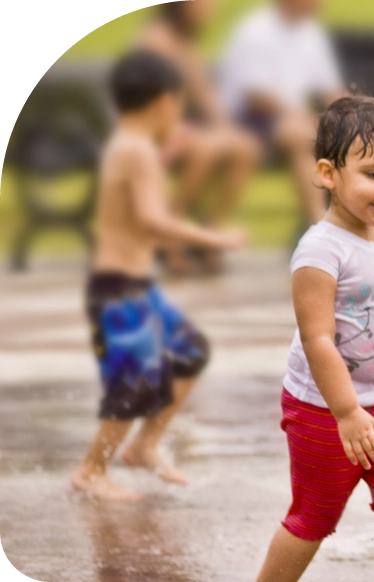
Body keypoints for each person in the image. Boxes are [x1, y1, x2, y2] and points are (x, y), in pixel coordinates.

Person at [254, 96, 374, 582]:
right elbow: (318, 340)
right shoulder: (320, 250)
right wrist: (347, 412)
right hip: (325, 409)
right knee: (313, 519)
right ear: (328, 173)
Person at [70, 50, 246, 502]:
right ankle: (92, 469)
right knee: (132, 383)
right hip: (119, 290)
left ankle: (144, 445)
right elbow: (150, 219)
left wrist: (165, 154)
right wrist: (213, 239)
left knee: (190, 351)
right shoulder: (137, 152)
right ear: (165, 102)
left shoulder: (129, 146)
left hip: (133, 286)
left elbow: (132, 203)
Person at [140, 0, 261, 276]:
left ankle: (210, 232)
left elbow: (206, 98)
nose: (211, 8)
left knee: (246, 147)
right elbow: (148, 104)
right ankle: (167, 233)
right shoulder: (156, 39)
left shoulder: (188, 45)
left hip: (184, 129)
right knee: (204, 148)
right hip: (152, 132)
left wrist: (228, 129)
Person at [219, 0, 347, 225]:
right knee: (303, 135)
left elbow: (330, 90)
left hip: (284, 119)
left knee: (343, 133)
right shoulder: (256, 31)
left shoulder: (311, 33)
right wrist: (300, 115)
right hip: (246, 120)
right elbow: (255, 97)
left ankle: (340, 221)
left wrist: (358, 115)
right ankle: (319, 223)